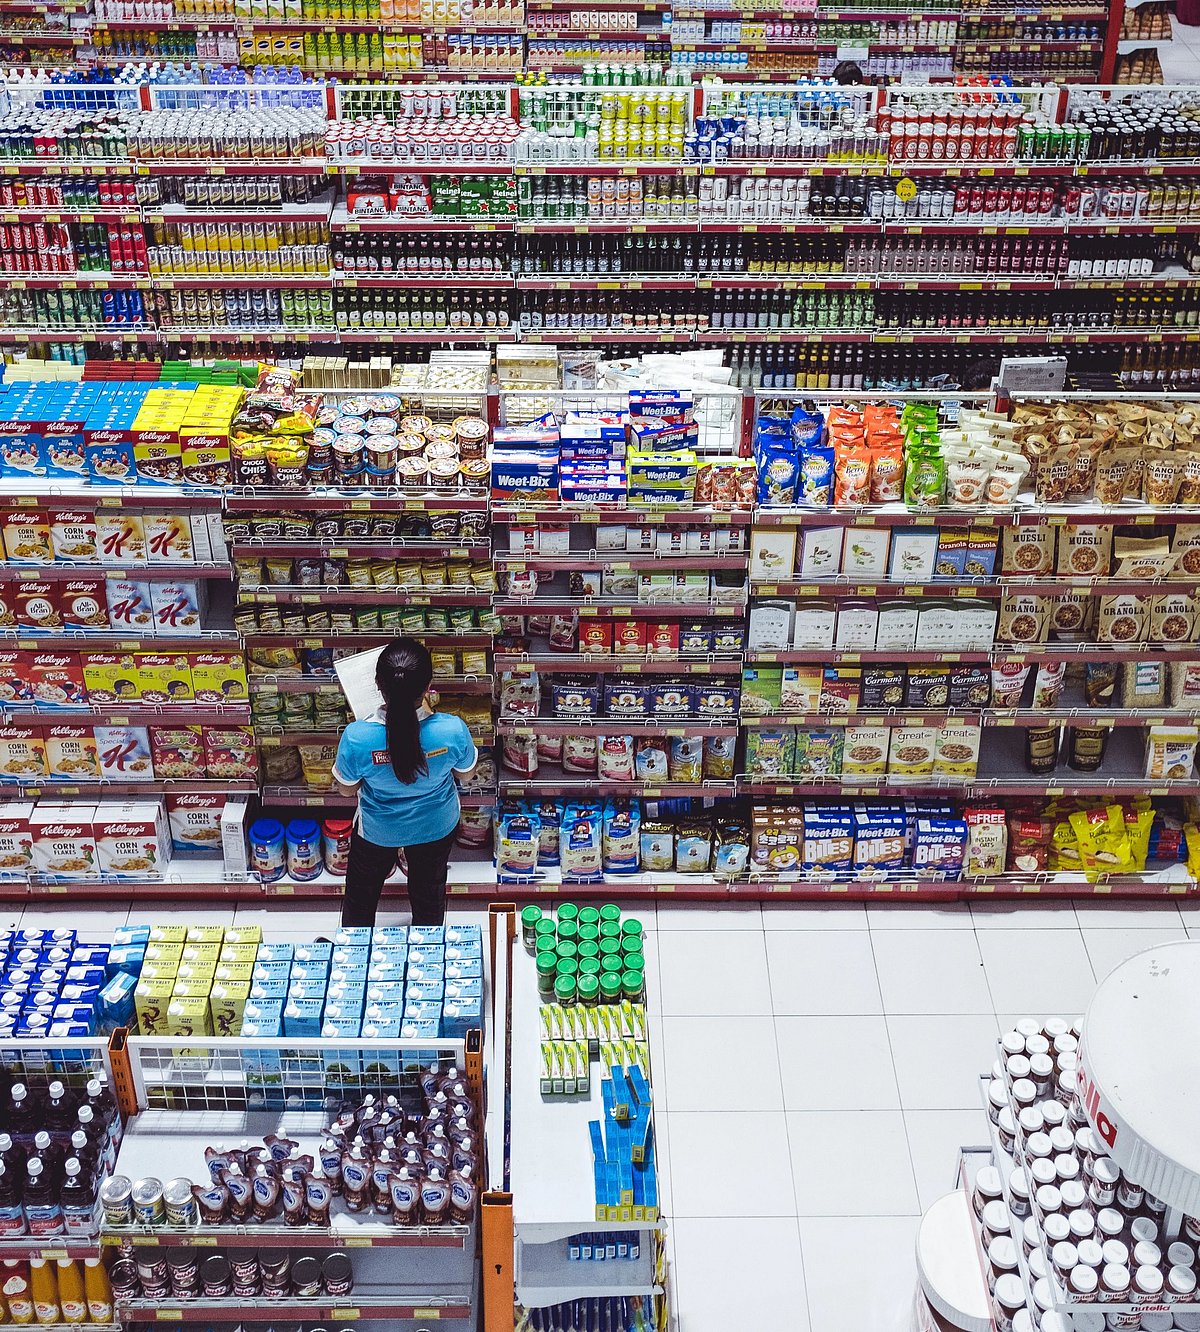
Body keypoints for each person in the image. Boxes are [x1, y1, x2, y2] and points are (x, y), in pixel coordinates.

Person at [332, 637, 477, 927]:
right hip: (435, 825)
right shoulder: (452, 730)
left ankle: (356, 958)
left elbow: (347, 789)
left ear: (377, 685)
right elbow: (466, 774)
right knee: (428, 892)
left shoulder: (357, 736)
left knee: (361, 895)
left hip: (378, 830)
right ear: (428, 686)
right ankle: (428, 952)